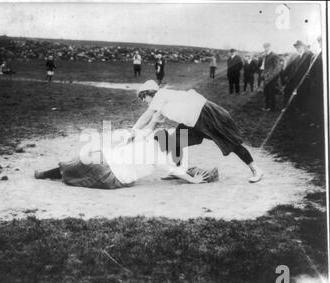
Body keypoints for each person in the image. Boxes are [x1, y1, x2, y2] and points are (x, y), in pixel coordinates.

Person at [128, 80, 264, 183]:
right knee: (175, 142)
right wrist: (137, 134)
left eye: (143, 97)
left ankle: (256, 170)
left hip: (206, 115)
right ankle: (178, 171)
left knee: (231, 144)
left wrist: (133, 130)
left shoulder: (160, 94)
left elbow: (147, 115)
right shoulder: (161, 105)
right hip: (191, 122)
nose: (143, 101)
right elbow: (151, 123)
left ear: (149, 93)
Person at [34, 128, 217, 189]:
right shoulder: (157, 156)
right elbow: (174, 169)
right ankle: (58, 173)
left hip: (104, 159)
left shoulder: (142, 141)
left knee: (78, 162)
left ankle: (46, 173)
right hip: (113, 175)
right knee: (89, 169)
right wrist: (192, 179)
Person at [283, 40, 313, 112]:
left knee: (303, 95)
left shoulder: (308, 56)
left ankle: (303, 110)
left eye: (299, 47)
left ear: (303, 47)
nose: (298, 49)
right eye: (297, 47)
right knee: (295, 93)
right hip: (296, 80)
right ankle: (296, 108)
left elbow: (310, 68)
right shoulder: (298, 57)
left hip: (304, 80)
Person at [261, 43, 280, 112]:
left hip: (272, 78)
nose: (265, 49)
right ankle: (267, 106)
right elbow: (265, 67)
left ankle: (272, 108)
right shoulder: (266, 56)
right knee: (266, 92)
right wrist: (264, 74)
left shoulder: (274, 55)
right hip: (266, 78)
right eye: (264, 47)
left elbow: (277, 68)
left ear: (269, 47)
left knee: (272, 93)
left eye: (266, 47)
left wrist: (271, 76)